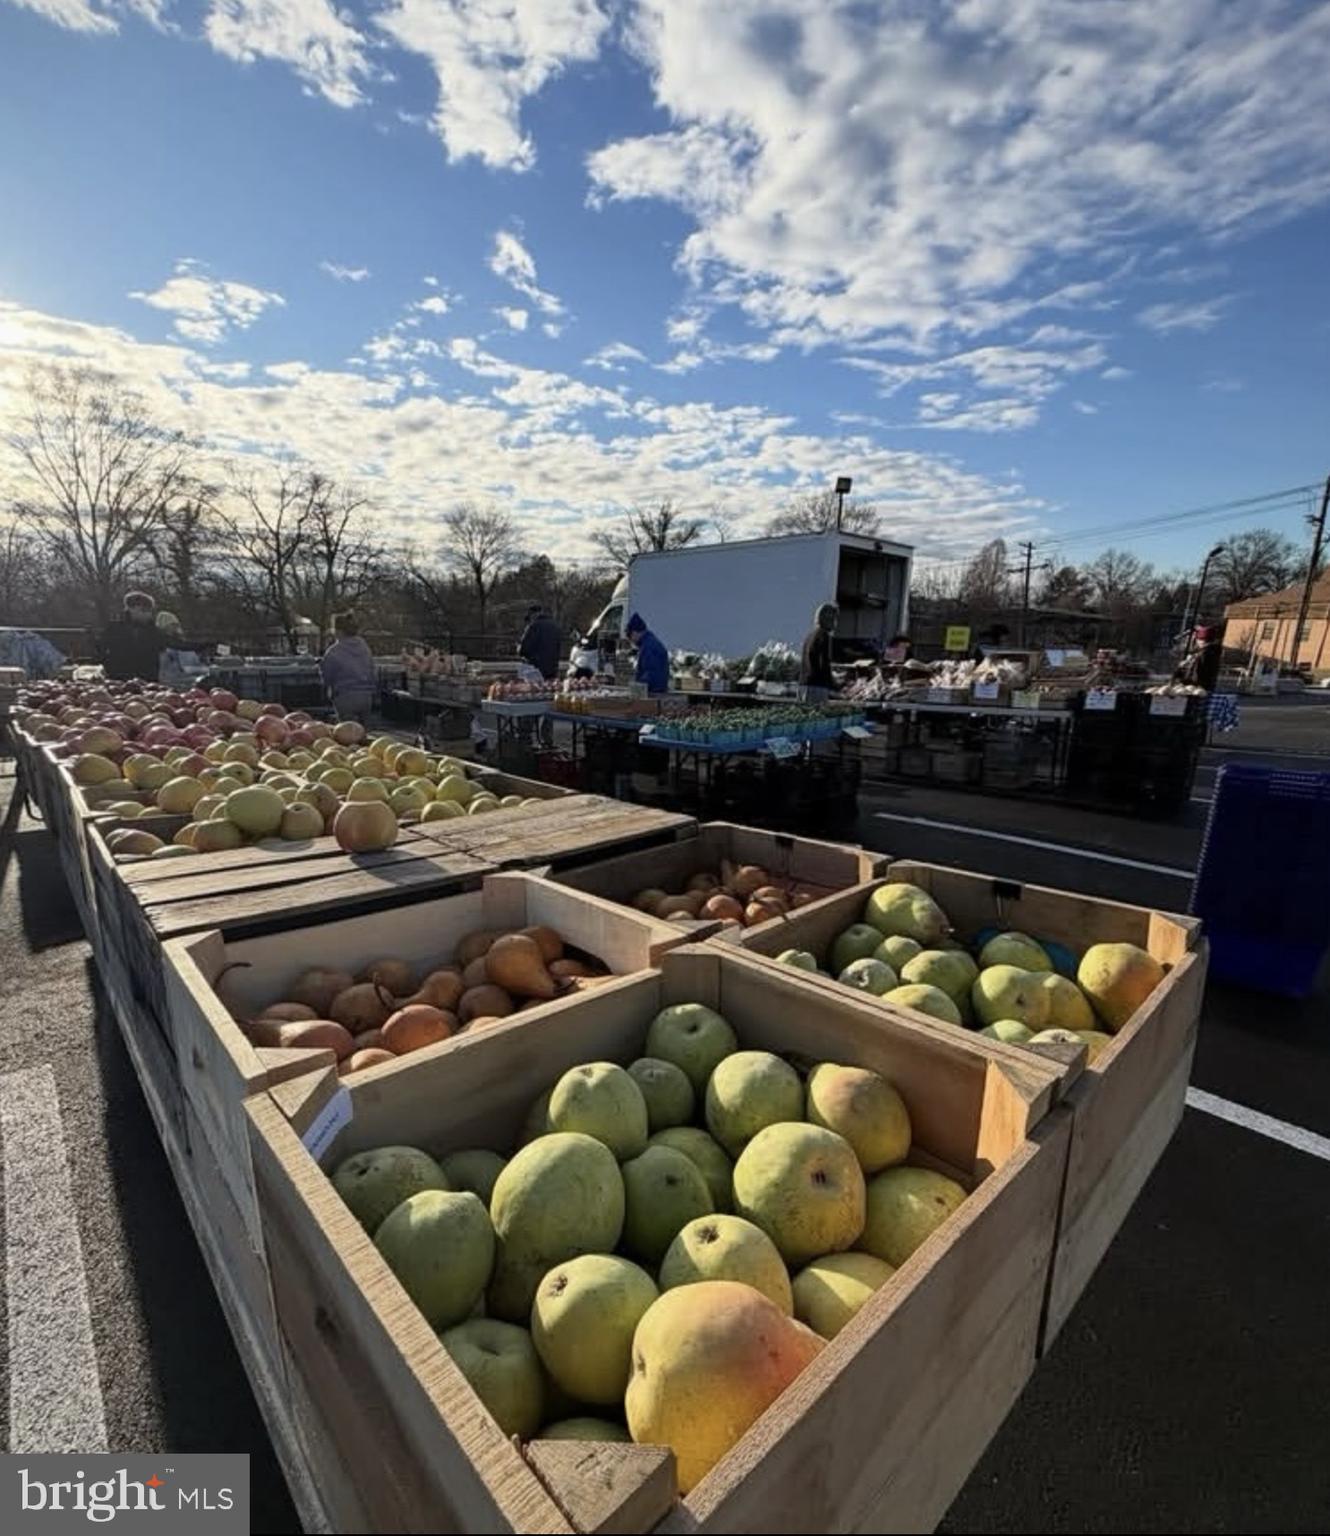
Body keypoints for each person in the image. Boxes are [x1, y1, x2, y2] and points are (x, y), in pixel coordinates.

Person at [319, 611, 377, 725]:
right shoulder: (364, 646)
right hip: (366, 695)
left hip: (345, 696)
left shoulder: (333, 651)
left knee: (348, 734)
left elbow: (327, 677)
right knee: (364, 732)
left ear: (338, 631)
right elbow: (371, 668)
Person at [101, 591, 166, 681]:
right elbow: (102, 648)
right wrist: (108, 667)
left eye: (149, 611)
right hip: (119, 678)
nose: (147, 614)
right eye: (143, 610)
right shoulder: (115, 628)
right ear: (131, 608)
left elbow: (167, 644)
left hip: (148, 678)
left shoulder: (153, 630)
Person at [800, 602, 838, 700]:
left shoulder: (809, 636)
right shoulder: (823, 636)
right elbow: (824, 663)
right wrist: (834, 685)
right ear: (826, 619)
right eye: (834, 619)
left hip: (804, 685)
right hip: (817, 687)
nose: (835, 623)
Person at [626, 612, 669, 694]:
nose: (631, 641)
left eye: (630, 637)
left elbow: (651, 674)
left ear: (635, 633)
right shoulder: (650, 642)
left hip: (654, 692)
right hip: (658, 690)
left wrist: (637, 687)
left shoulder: (649, 647)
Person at [518, 604, 562, 681]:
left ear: (532, 615)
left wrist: (519, 647)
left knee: (532, 690)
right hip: (552, 668)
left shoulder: (533, 626)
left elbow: (523, 650)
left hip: (535, 668)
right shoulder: (555, 626)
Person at [1178, 625, 1224, 693]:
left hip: (1196, 688)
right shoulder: (1214, 652)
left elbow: (1197, 673)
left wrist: (1182, 668)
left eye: (1196, 639)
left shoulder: (1202, 654)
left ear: (1201, 640)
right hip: (1207, 687)